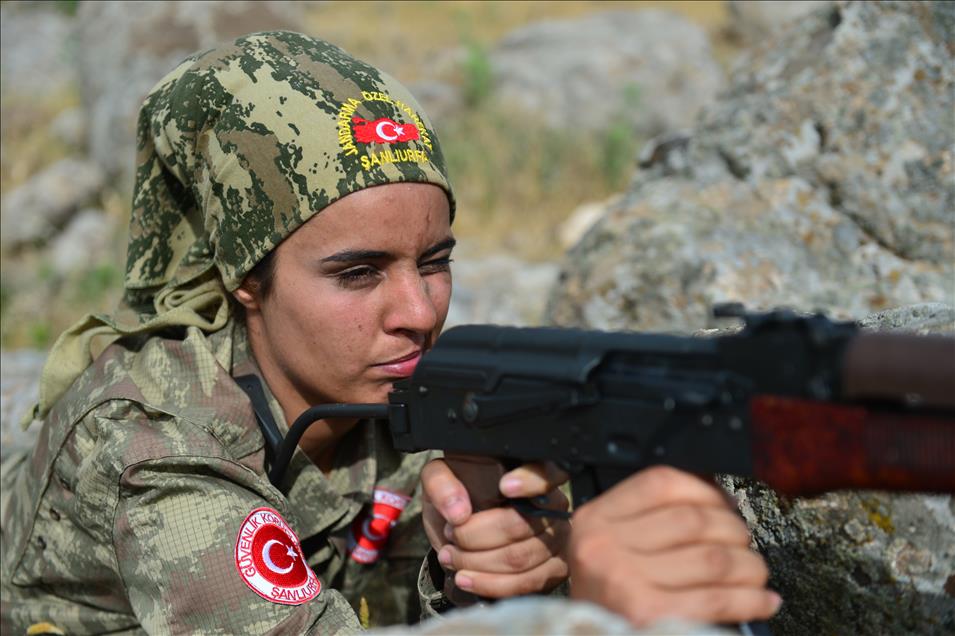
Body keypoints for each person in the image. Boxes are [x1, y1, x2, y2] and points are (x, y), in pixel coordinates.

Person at [0, 31, 779, 634]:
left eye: (433, 260)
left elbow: (399, 589)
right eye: (357, 273)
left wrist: (477, 569)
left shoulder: (395, 382)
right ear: (245, 280)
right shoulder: (158, 447)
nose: (418, 311)